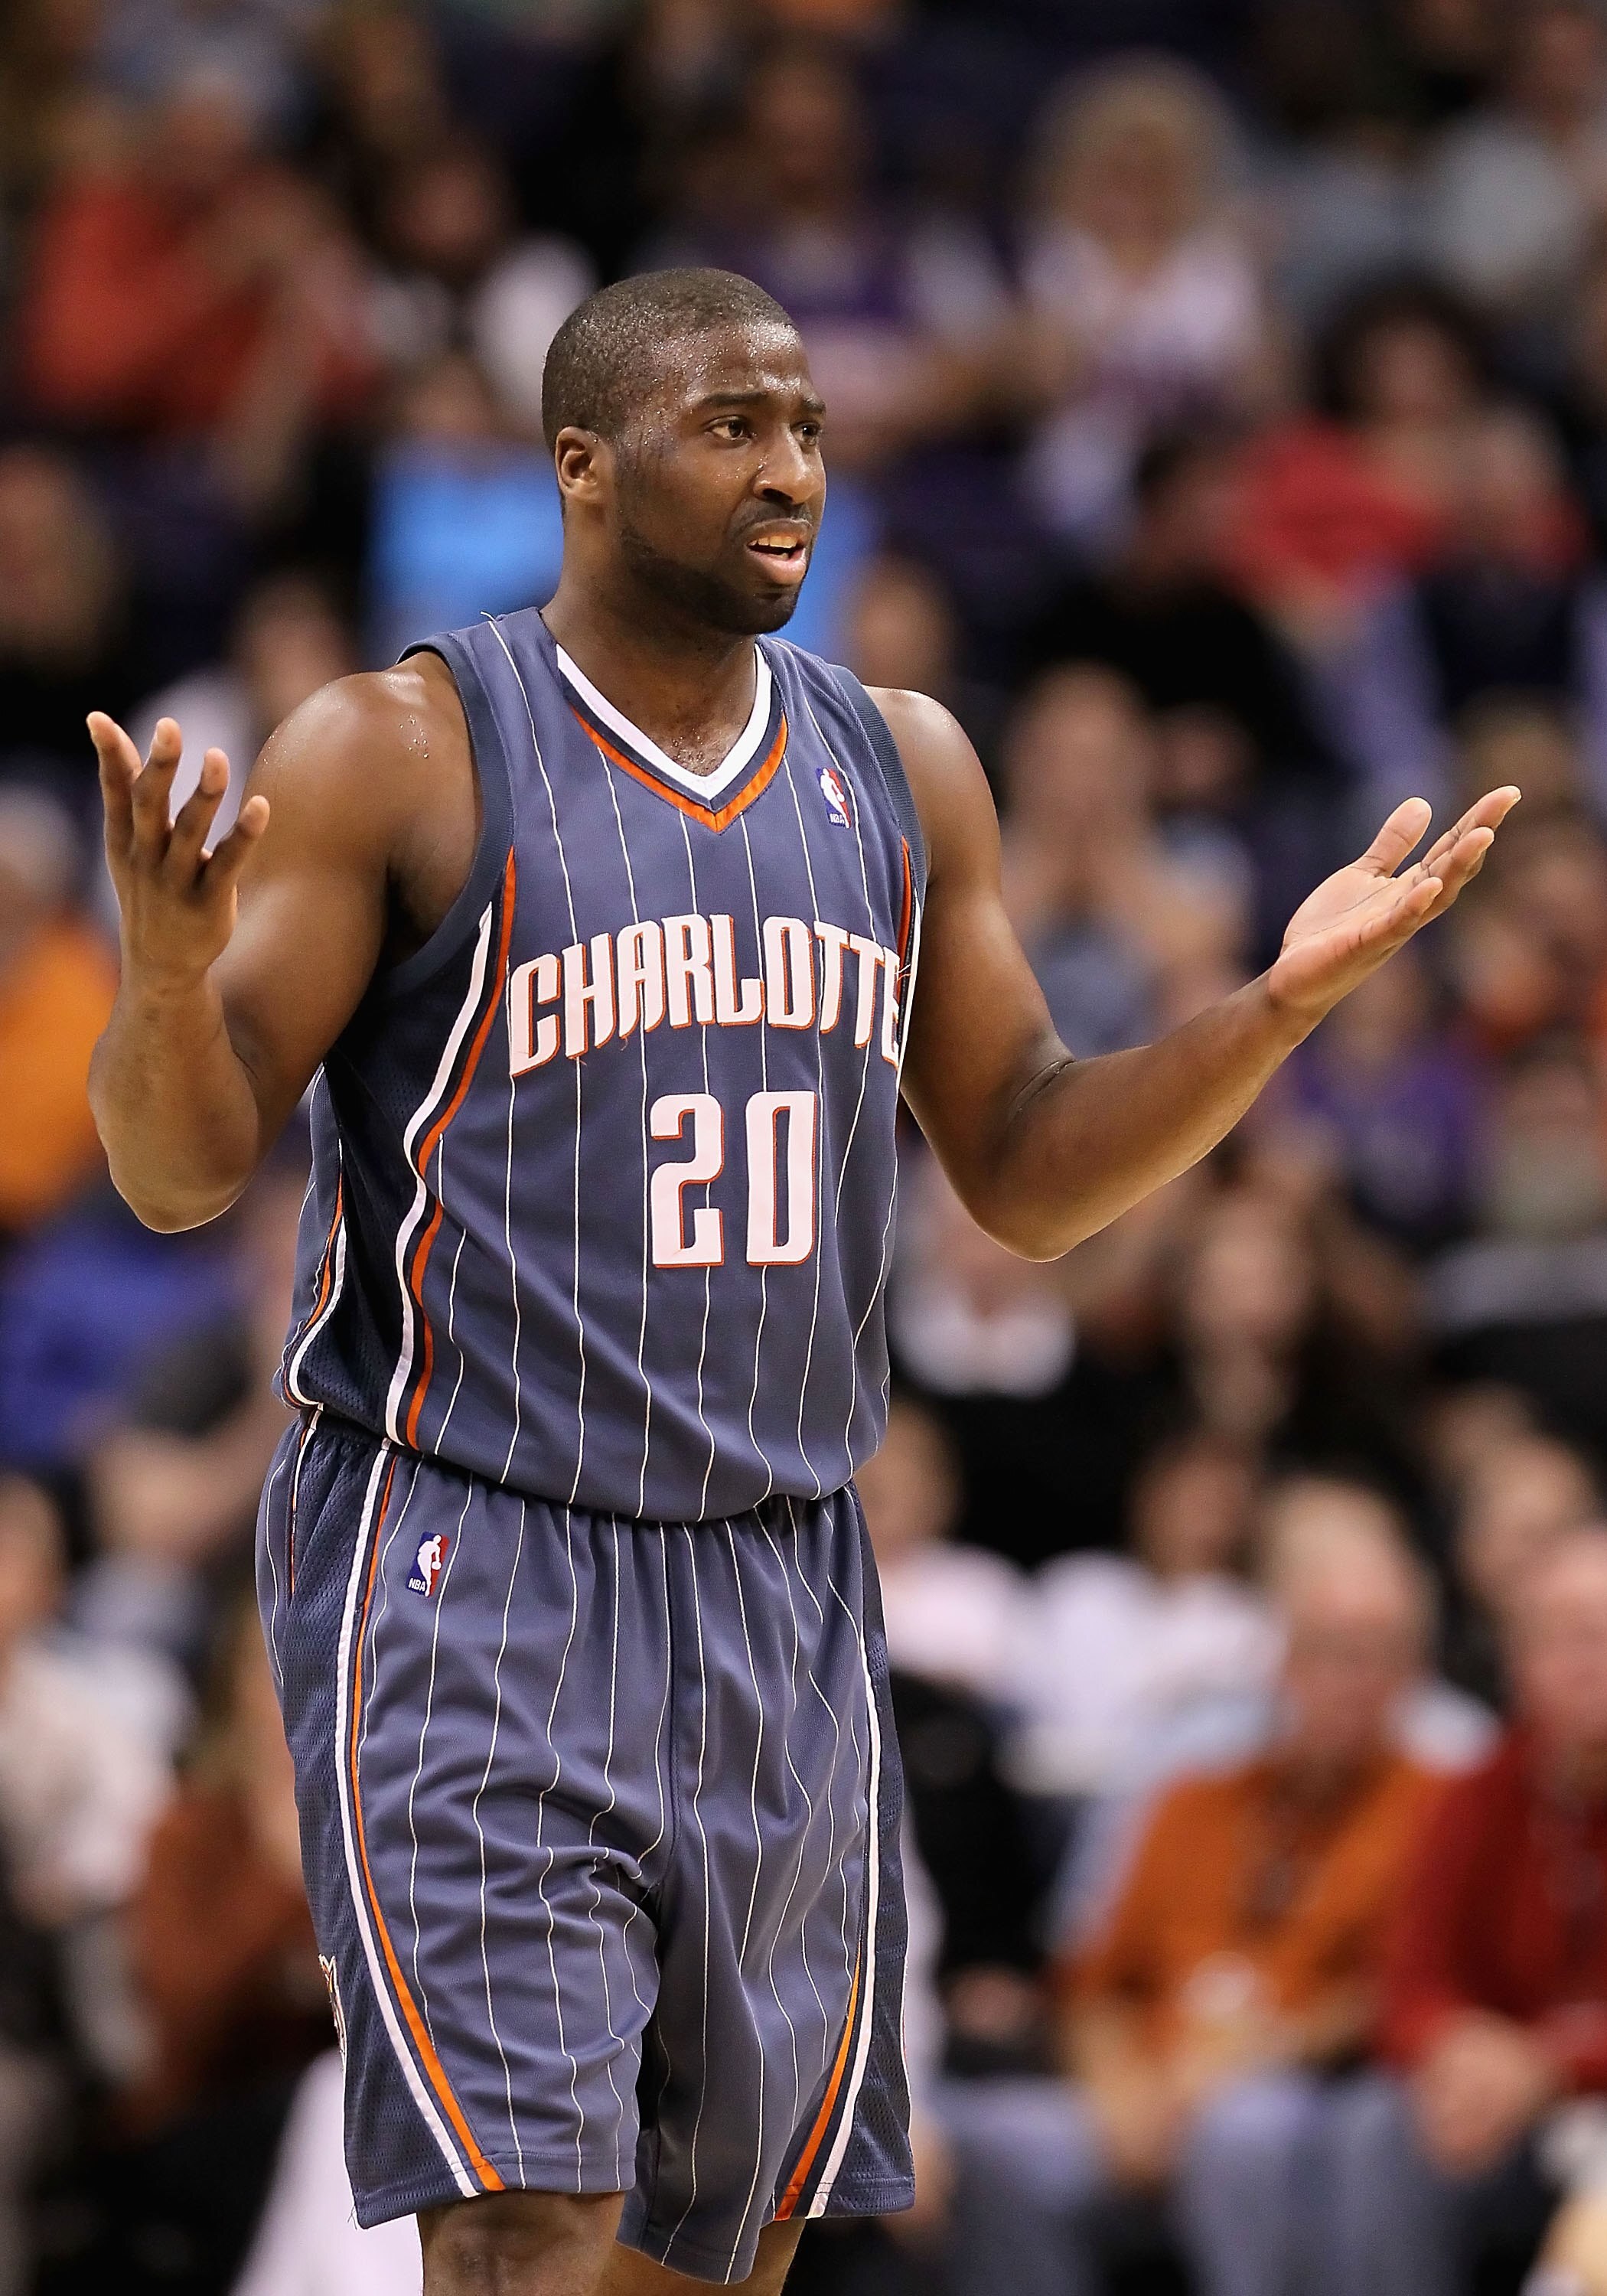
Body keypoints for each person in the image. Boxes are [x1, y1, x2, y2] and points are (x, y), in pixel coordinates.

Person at [85, 266, 1515, 2296]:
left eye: (809, 430)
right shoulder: (402, 751)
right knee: (523, 2221)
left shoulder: (901, 764)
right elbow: (176, 1172)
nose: (790, 473)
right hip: (477, 1556)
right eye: (731, 427)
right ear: (582, 468)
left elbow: (1027, 1170)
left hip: (777, 1569)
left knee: (719, 2251)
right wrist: (161, 987)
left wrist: (1267, 1013)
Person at [940, 1521, 1439, 2296]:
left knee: (1245, 2134)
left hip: (1304, 2093)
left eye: (1376, 1656)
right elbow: (1094, 1981)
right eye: (1327, 1652)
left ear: (1412, 1677)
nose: (1349, 1680)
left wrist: (1248, 2062)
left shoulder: (1439, 1809)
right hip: (1151, 2081)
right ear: (1282, 1664)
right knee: (992, 2140)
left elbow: (1396, 1992)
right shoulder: (1191, 1800)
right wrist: (1119, 2090)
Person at [1328, 1530, 1607, 2296]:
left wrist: (1550, 2063)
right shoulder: (1481, 1791)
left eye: (1601, 1635)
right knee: (1380, 2126)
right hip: (1501, 2108)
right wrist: (1454, 2045)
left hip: (1576, 2088)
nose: (1586, 1662)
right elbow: (1408, 1979)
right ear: (1515, 1659)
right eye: (1561, 1637)